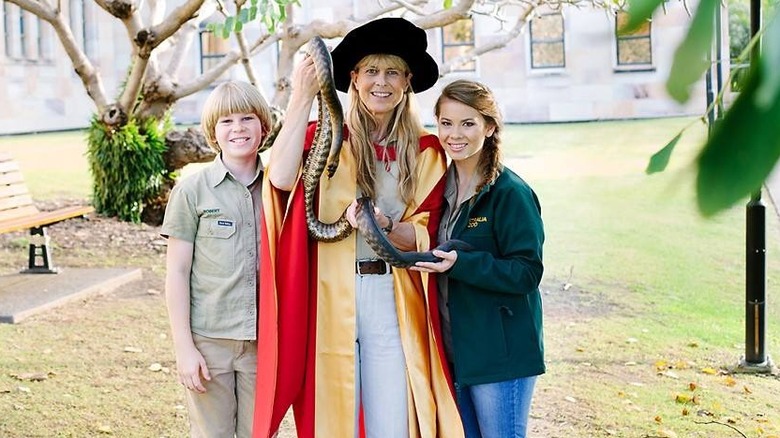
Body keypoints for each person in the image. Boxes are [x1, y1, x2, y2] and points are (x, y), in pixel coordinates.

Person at [252, 17, 463, 438]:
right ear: (353, 78)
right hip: (331, 292)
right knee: (336, 417)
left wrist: (384, 226)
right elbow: (278, 179)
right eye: (370, 71)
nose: (380, 83)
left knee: (392, 420)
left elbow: (424, 234)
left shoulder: (427, 154)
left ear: (407, 81)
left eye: (391, 73)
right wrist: (301, 95)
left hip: (393, 295)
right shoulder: (326, 139)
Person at [413, 79, 546, 438]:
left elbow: (527, 272)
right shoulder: (439, 188)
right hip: (455, 354)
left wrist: (462, 264)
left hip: (499, 357)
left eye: (468, 123)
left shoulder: (510, 193)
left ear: (489, 128)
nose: (455, 134)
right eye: (446, 123)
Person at [161, 80, 272, 438]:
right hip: (209, 342)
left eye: (246, 118)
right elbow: (176, 272)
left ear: (264, 127)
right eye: (226, 122)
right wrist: (184, 348)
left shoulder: (279, 188)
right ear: (213, 131)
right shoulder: (193, 190)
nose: (237, 128)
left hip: (264, 342)